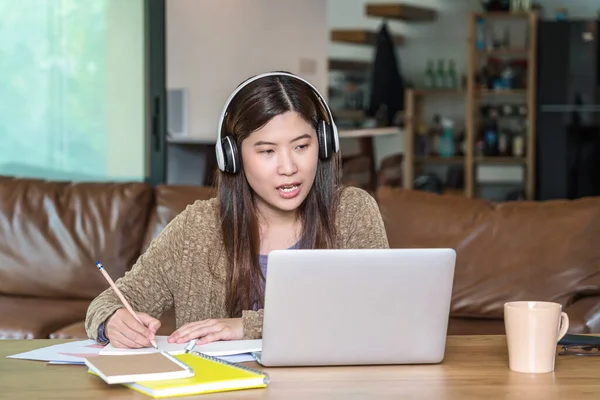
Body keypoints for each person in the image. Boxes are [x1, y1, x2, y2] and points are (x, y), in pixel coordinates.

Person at [84, 71, 389, 348]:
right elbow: (110, 301)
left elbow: (376, 312)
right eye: (267, 151)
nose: (289, 168)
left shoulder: (351, 211)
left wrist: (249, 326)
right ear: (232, 156)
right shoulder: (197, 228)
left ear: (322, 144)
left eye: (301, 147)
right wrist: (111, 320)